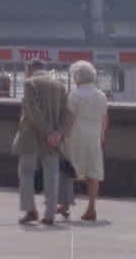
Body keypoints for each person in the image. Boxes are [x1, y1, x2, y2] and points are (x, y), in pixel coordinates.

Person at [13, 60, 70, 225]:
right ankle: (50, 214)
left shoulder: (30, 84)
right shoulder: (60, 85)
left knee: (26, 172)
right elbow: (66, 114)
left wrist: (47, 132)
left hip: (30, 136)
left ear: (29, 69)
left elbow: (32, 110)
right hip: (53, 140)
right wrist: (57, 133)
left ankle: (30, 210)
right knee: (51, 174)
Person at [62, 59, 111, 222]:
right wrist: (102, 136)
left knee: (69, 171)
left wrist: (63, 136)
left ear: (77, 77)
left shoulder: (75, 95)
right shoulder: (101, 95)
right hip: (95, 137)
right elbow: (104, 118)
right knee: (93, 173)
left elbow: (70, 119)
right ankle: (91, 207)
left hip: (77, 136)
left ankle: (65, 204)